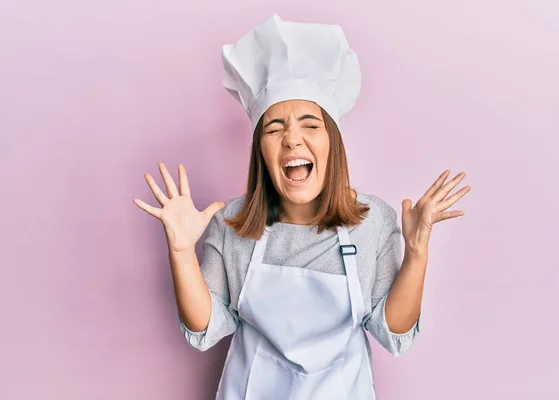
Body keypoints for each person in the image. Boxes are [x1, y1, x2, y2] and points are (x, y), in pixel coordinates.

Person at [134, 13, 470, 400]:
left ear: (333, 143)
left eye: (310, 125)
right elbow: (206, 329)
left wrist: (416, 253)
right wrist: (180, 252)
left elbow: (393, 333)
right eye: (274, 128)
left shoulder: (373, 220)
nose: (292, 140)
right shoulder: (230, 222)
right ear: (260, 150)